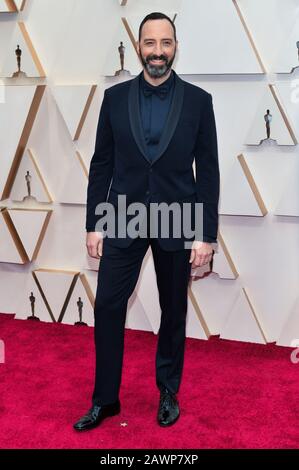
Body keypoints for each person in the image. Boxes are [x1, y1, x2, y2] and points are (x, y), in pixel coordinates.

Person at [74, 12, 220, 431]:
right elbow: (101, 164)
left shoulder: (198, 101)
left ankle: (168, 392)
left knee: (173, 311)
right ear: (138, 46)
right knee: (107, 307)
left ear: (176, 46)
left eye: (166, 43)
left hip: (179, 218)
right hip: (122, 215)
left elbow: (207, 172)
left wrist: (205, 234)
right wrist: (93, 223)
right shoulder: (114, 99)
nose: (158, 51)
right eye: (150, 43)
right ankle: (105, 400)